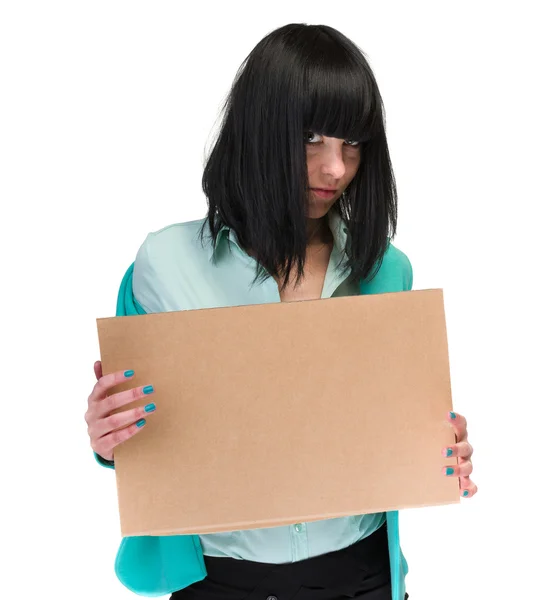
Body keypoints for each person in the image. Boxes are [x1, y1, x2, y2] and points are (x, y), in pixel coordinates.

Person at [84, 23, 477, 600]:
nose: (336, 169)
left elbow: (380, 432)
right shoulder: (162, 267)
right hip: (219, 580)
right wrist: (106, 438)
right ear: (259, 131)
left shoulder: (388, 270)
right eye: (311, 137)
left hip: (360, 575)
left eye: (352, 144)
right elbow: (146, 444)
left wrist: (439, 451)